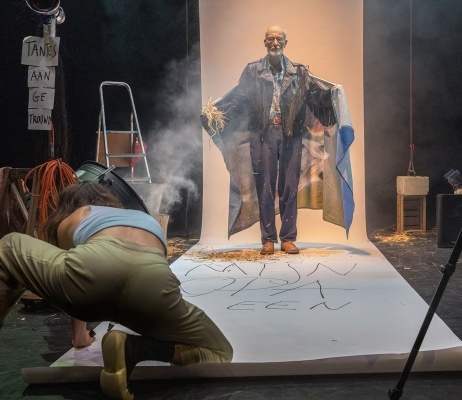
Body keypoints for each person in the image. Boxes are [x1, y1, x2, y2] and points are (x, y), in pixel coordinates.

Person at [0, 181, 233, 400]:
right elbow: (155, 268)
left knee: (8, 247)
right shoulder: (146, 219)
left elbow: (72, 267)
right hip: (152, 287)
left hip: (93, 276)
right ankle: (137, 349)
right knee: (220, 350)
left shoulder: (78, 215)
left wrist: (80, 337)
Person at [202, 25, 337, 255]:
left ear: (285, 42)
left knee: (289, 187)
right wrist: (217, 111)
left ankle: (288, 238)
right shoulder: (252, 71)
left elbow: (314, 97)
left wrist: (334, 96)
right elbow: (239, 98)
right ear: (265, 42)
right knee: (264, 186)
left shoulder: (299, 72)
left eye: (279, 39)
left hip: (291, 134)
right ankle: (267, 240)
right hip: (263, 133)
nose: (275, 43)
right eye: (271, 39)